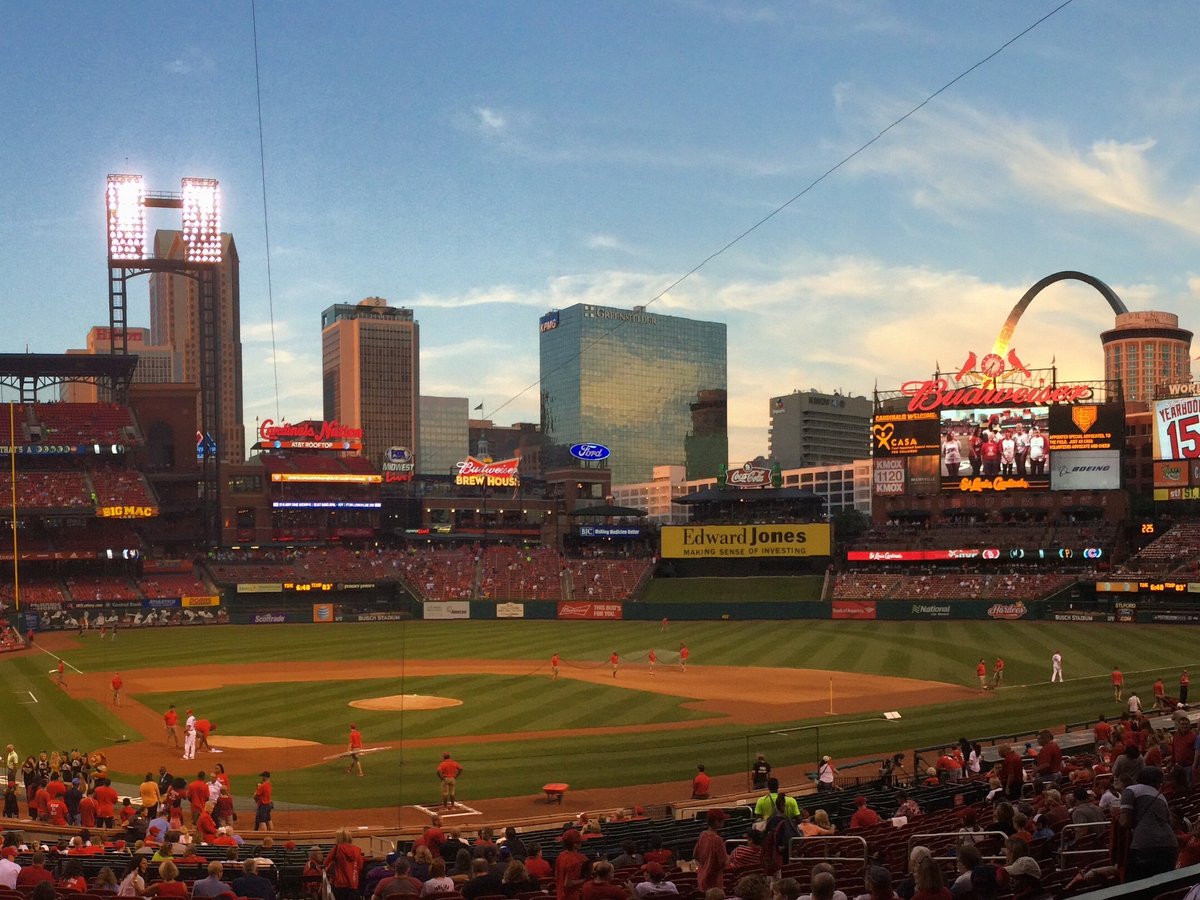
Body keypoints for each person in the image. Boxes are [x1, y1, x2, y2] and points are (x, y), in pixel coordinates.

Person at [1120, 766, 1176, 881]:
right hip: (1170, 844)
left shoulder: (1130, 790)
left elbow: (1125, 821)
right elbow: (1170, 822)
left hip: (1144, 845)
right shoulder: (1162, 797)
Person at [693, 809, 728, 892]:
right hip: (713, 881)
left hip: (701, 877)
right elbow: (723, 862)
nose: (724, 822)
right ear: (716, 822)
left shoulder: (702, 834)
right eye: (722, 820)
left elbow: (695, 855)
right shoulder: (718, 840)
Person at [554, 829, 587, 900]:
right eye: (579, 842)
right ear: (575, 844)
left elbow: (557, 875)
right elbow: (568, 884)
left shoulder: (560, 856)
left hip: (560, 896)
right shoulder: (575, 860)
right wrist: (585, 879)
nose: (581, 843)